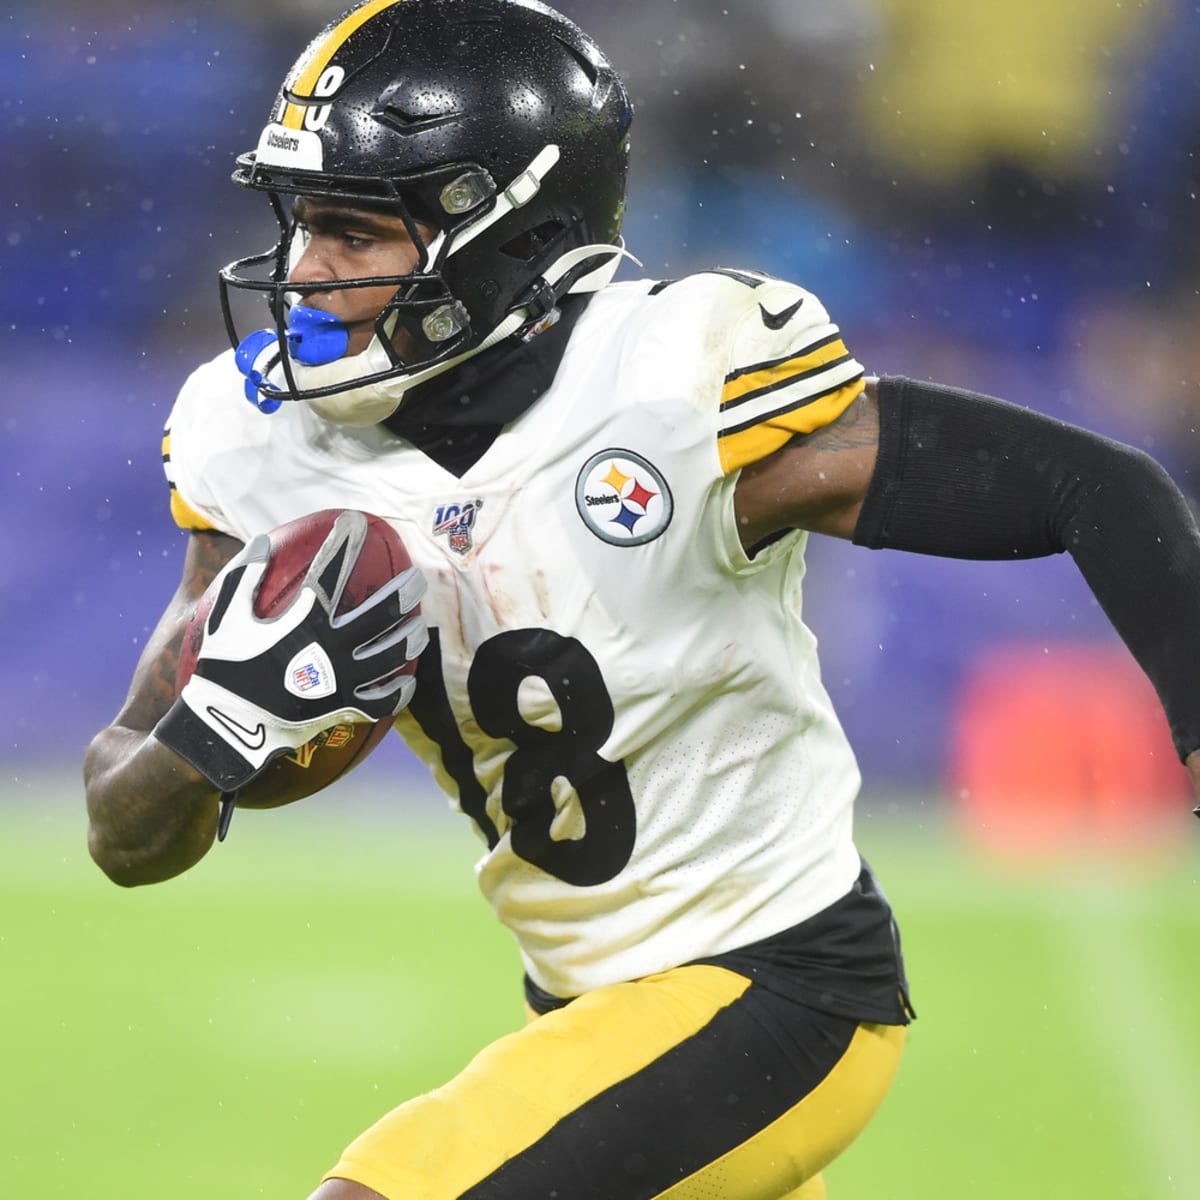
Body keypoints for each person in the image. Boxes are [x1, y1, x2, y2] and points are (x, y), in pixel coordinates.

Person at [82, 1, 1200, 1197]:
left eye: (358, 231)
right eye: (303, 221)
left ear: (513, 235)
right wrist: (222, 728)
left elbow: (1103, 491)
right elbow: (124, 829)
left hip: (778, 986)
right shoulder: (258, 444)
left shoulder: (676, 390)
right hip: (585, 1011)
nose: (306, 270)